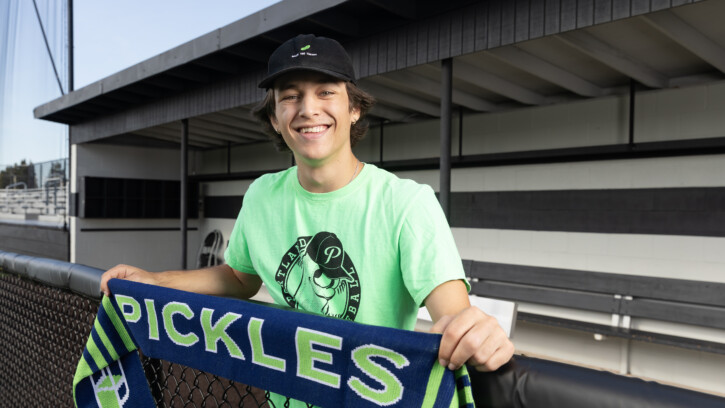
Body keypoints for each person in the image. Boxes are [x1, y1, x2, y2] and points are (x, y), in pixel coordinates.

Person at [101, 34, 513, 389]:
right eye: (290, 96)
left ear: (354, 109)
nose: (308, 108)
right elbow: (239, 278)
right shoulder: (262, 195)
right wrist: (153, 279)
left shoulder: (406, 203)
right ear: (276, 119)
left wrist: (475, 331)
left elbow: (454, 312)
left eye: (326, 92)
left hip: (375, 396)